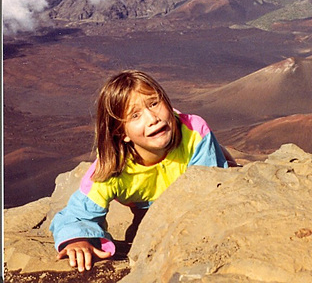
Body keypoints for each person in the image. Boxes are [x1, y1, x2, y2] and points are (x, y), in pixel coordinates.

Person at [50, 70, 234, 272]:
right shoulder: (111, 169)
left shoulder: (194, 133)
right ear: (121, 133)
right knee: (142, 235)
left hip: (192, 195)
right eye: (135, 115)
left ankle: (226, 156)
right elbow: (75, 215)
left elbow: (208, 194)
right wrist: (77, 239)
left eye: (154, 104)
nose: (152, 118)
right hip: (148, 208)